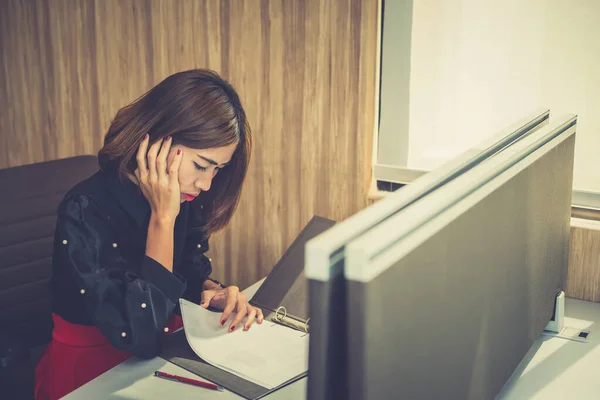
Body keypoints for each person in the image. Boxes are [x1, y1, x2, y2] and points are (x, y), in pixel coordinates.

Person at [34, 69, 263, 400]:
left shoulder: (184, 198)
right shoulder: (84, 209)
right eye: (201, 165)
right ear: (159, 138)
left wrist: (213, 294)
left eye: (218, 169)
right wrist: (163, 219)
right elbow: (137, 333)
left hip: (160, 360)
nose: (207, 184)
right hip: (91, 376)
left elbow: (186, 274)